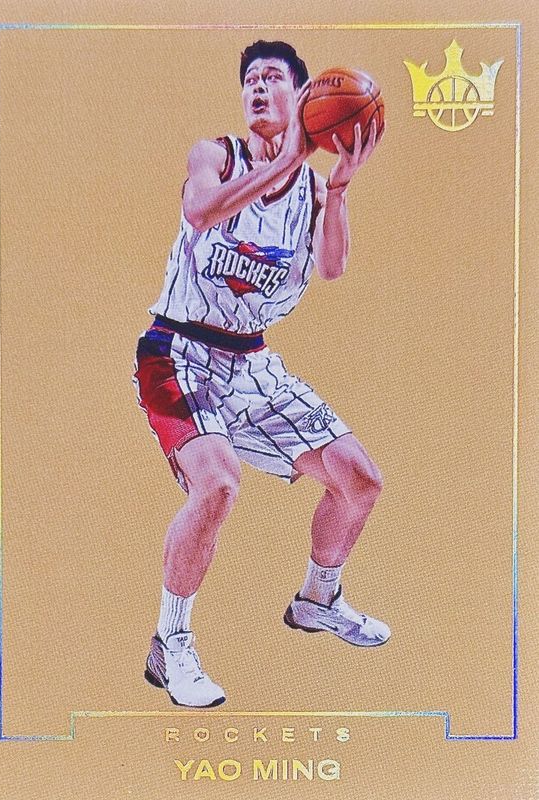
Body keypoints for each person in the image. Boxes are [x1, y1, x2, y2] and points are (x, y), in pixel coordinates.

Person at [133, 40, 388, 708]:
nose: (256, 86)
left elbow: (331, 267)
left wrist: (337, 187)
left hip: (251, 360)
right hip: (178, 349)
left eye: (271, 77)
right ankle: (170, 642)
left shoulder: (311, 187)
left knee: (359, 481)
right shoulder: (215, 156)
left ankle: (317, 600)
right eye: (249, 77)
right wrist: (291, 157)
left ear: (304, 97)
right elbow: (200, 211)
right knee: (217, 485)